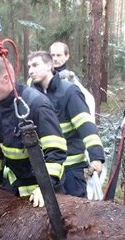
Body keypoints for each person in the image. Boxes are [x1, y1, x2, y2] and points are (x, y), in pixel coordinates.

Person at [0, 55, 67, 207]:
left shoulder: (36, 104)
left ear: (6, 78)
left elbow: (56, 150)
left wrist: (45, 188)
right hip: (15, 188)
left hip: (44, 193)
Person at [28, 51, 105, 198]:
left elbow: (86, 125)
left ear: (49, 65)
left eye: (36, 65)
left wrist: (96, 157)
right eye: (29, 66)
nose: (31, 70)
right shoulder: (31, 96)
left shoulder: (69, 92)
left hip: (71, 172)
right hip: (46, 172)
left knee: (76, 218)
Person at [49, 41, 96, 121]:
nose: (55, 59)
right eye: (52, 55)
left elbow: (89, 100)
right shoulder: (39, 77)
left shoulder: (70, 79)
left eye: (59, 55)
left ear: (67, 56)